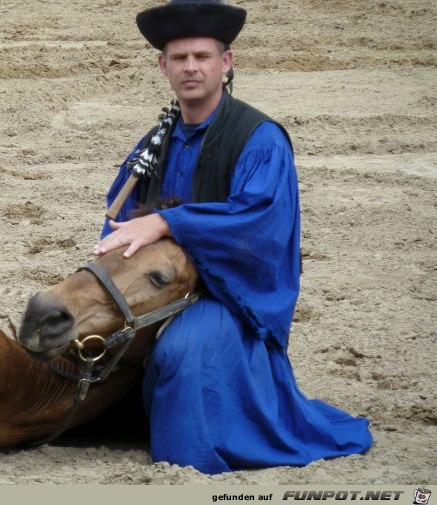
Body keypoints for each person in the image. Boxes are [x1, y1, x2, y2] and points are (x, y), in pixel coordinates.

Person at [92, 0, 372, 474]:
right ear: (163, 66)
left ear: (226, 62)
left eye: (202, 56)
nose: (191, 68)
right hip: (162, 287)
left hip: (231, 296)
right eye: (179, 58)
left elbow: (259, 224)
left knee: (181, 351)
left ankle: (189, 462)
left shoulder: (260, 139)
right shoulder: (154, 142)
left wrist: (168, 223)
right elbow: (121, 224)